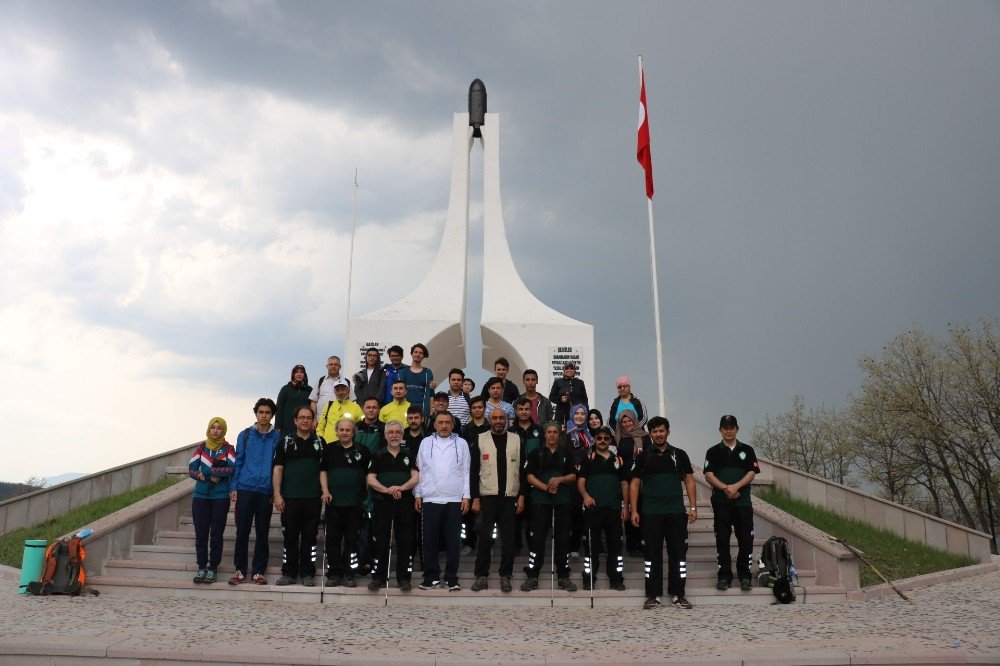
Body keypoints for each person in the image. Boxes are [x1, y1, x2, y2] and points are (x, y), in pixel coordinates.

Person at [629, 416, 697, 610]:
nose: (658, 434)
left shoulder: (679, 454)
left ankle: (678, 594)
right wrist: (634, 510)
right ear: (650, 434)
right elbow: (634, 484)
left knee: (678, 556)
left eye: (662, 430)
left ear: (668, 432)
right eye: (655, 431)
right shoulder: (643, 456)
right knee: (652, 555)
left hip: (676, 513)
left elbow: (690, 480)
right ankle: (653, 595)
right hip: (651, 514)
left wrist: (693, 508)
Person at [469, 407, 524, 593]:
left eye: (502, 418)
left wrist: (522, 496)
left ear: (507, 419)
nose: (498, 421)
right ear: (489, 420)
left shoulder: (516, 439)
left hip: (510, 496)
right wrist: (475, 497)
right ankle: (481, 575)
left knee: (508, 538)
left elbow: (523, 472)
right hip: (487, 496)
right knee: (485, 538)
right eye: (495, 418)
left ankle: (505, 575)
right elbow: (473, 471)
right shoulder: (480, 439)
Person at [414, 411, 470, 591]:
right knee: (429, 541)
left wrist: (466, 496)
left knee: (453, 542)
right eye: (440, 422)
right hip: (430, 499)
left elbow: (466, 472)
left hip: (454, 499)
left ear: (453, 425)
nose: (444, 426)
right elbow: (419, 471)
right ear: (435, 424)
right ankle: (431, 577)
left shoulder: (461, 444)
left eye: (447, 422)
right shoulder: (425, 443)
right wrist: (417, 494)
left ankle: (452, 578)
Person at [703, 414, 760, 592]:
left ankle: (744, 576)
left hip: (742, 503)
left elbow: (752, 472)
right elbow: (708, 474)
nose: (729, 430)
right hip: (721, 502)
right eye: (725, 428)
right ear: (720, 430)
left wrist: (736, 486)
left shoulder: (747, 449)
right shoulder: (712, 451)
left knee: (745, 540)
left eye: (732, 427)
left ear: (737, 429)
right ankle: (724, 576)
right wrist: (725, 488)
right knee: (722, 539)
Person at [229, 398, 282, 586]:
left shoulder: (277, 436)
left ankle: (258, 571)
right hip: (245, 488)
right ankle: (240, 570)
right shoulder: (244, 434)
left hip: (265, 490)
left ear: (272, 415)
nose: (264, 416)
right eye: (261, 412)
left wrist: (277, 491)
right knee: (242, 531)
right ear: (256, 413)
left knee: (262, 532)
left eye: (268, 413)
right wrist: (234, 486)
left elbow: (278, 465)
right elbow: (239, 461)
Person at [520, 422, 578, 592]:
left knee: (563, 539)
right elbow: (529, 476)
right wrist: (545, 487)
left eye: (555, 432)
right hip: (540, 500)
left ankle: (563, 576)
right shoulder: (535, 453)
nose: (552, 435)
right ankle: (532, 576)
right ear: (544, 434)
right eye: (549, 432)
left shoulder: (566, 453)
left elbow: (574, 476)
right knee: (537, 539)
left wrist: (560, 480)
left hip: (562, 501)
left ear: (559, 435)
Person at [273, 406, 324, 586]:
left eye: (308, 418)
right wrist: (277, 495)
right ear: (295, 421)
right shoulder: (285, 442)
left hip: (312, 499)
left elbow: (324, 471)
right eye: (301, 417)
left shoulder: (320, 441)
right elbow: (278, 469)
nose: (305, 421)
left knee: (310, 538)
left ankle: (308, 573)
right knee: (290, 537)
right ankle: (289, 573)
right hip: (291, 498)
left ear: (313, 421)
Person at [367, 420, 419, 591]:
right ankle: (378, 577)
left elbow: (416, 477)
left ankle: (404, 578)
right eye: (391, 432)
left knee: (405, 541)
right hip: (383, 503)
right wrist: (387, 490)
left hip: (404, 503)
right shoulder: (378, 455)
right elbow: (370, 479)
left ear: (402, 435)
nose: (394, 435)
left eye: (397, 432)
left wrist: (401, 488)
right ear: (385, 435)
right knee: (381, 540)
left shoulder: (408, 454)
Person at [320, 418, 371, 588]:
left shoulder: (363, 451)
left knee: (352, 540)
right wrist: (325, 491)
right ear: (336, 431)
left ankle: (349, 573)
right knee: (333, 540)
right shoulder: (329, 449)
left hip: (355, 504)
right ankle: (334, 573)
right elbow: (323, 472)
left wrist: (364, 497)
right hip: (334, 503)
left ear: (353, 432)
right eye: (341, 429)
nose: (344, 432)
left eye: (347, 430)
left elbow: (367, 477)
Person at [577, 425, 628, 591]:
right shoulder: (588, 459)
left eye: (606, 438)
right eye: (599, 438)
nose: (602, 441)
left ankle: (616, 578)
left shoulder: (618, 460)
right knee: (591, 546)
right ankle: (589, 577)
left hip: (614, 509)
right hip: (593, 510)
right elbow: (580, 482)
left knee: (615, 547)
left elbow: (625, 484)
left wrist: (625, 506)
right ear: (594, 440)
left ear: (610, 440)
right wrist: (585, 496)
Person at [189, 417, 235, 584]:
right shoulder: (201, 448)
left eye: (219, 428)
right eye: (213, 428)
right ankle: (201, 567)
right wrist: (209, 475)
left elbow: (231, 468)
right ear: (208, 430)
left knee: (216, 534)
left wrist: (209, 472)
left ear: (224, 430)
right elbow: (192, 469)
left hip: (220, 497)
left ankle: (213, 568)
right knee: (201, 534)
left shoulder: (229, 448)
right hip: (200, 497)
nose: (215, 431)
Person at [508, 397, 542, 554]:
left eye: (526, 409)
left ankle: (534, 546)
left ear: (531, 410)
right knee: (515, 515)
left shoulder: (539, 430)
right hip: (515, 477)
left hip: (535, 478)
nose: (523, 412)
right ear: (515, 411)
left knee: (534, 516)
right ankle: (515, 546)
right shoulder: (510, 432)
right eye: (520, 409)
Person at [615, 411, 650, 556]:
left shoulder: (645, 437)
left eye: (630, 421)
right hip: (625, 478)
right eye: (624, 422)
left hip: (642, 479)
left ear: (635, 421)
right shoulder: (619, 438)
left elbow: (649, 456)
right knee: (628, 511)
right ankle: (631, 546)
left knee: (642, 511)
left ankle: (643, 544)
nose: (627, 424)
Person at [565, 403, 591, 555]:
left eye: (582, 413)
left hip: (586, 476)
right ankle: (569, 546)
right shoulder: (566, 432)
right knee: (571, 511)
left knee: (581, 513)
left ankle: (576, 545)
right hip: (570, 477)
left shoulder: (588, 433)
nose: (579, 416)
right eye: (577, 413)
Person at [397, 343, 435, 417]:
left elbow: (431, 394)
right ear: (412, 354)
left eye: (421, 353)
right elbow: (397, 393)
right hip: (405, 411)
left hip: (423, 411)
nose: (418, 354)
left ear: (424, 356)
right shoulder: (402, 372)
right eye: (416, 352)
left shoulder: (428, 372)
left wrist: (431, 410)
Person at [276, 364, 312, 436]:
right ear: (293, 374)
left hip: (304, 427)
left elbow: (313, 408)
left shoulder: (309, 390)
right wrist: (277, 426)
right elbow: (279, 407)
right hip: (287, 427)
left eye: (301, 372)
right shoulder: (286, 389)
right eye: (297, 372)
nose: (299, 374)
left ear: (304, 375)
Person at [310, 355, 343, 420]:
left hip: (341, 422)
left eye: (336, 365)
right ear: (327, 366)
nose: (333, 366)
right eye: (331, 364)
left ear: (340, 367)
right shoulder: (320, 381)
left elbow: (352, 401)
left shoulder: (346, 382)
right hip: (321, 421)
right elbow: (313, 402)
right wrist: (313, 419)